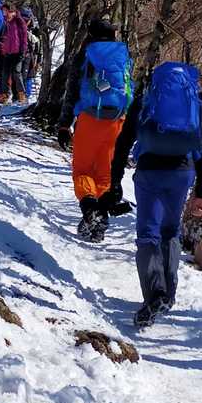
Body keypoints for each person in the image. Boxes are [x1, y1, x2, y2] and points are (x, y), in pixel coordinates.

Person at [108, 61, 202, 329]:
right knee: (170, 230)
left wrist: (115, 179)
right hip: (182, 173)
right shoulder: (195, 103)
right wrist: (201, 192)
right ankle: (168, 293)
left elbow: (124, 141)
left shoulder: (146, 98)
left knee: (148, 233)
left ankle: (155, 294)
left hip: (150, 171)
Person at [56, 17, 133, 241]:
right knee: (103, 173)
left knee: (82, 171)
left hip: (89, 120)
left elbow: (72, 93)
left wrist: (64, 125)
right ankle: (98, 221)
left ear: (90, 34)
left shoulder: (85, 55)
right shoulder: (124, 55)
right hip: (116, 121)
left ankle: (91, 211)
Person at [0, 2, 30, 103]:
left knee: (16, 72)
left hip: (18, 52)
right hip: (7, 52)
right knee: (4, 74)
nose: (5, 13)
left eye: (6, 11)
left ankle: (21, 94)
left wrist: (23, 50)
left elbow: (24, 37)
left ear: (12, 11)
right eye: (3, 11)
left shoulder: (19, 21)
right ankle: (4, 95)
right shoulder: (4, 22)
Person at [20, 6, 40, 97]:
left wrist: (38, 59)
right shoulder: (17, 27)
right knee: (20, 74)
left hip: (31, 55)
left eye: (26, 19)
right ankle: (21, 94)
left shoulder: (35, 30)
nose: (24, 21)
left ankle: (27, 94)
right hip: (20, 54)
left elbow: (38, 44)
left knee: (29, 75)